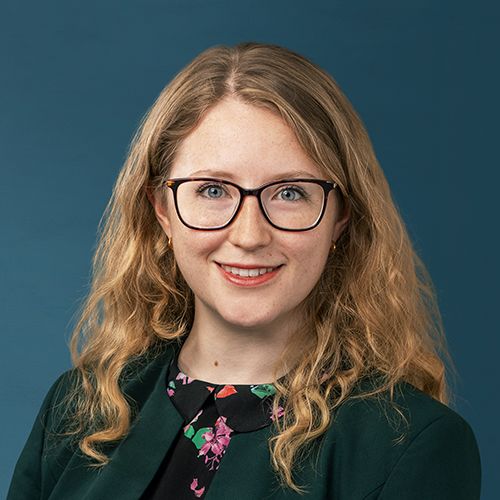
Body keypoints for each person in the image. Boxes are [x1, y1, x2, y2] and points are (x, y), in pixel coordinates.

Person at [7, 42, 481, 500]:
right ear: (162, 210)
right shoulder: (79, 409)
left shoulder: (411, 446)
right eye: (213, 190)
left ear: (341, 216)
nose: (250, 235)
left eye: (290, 192)